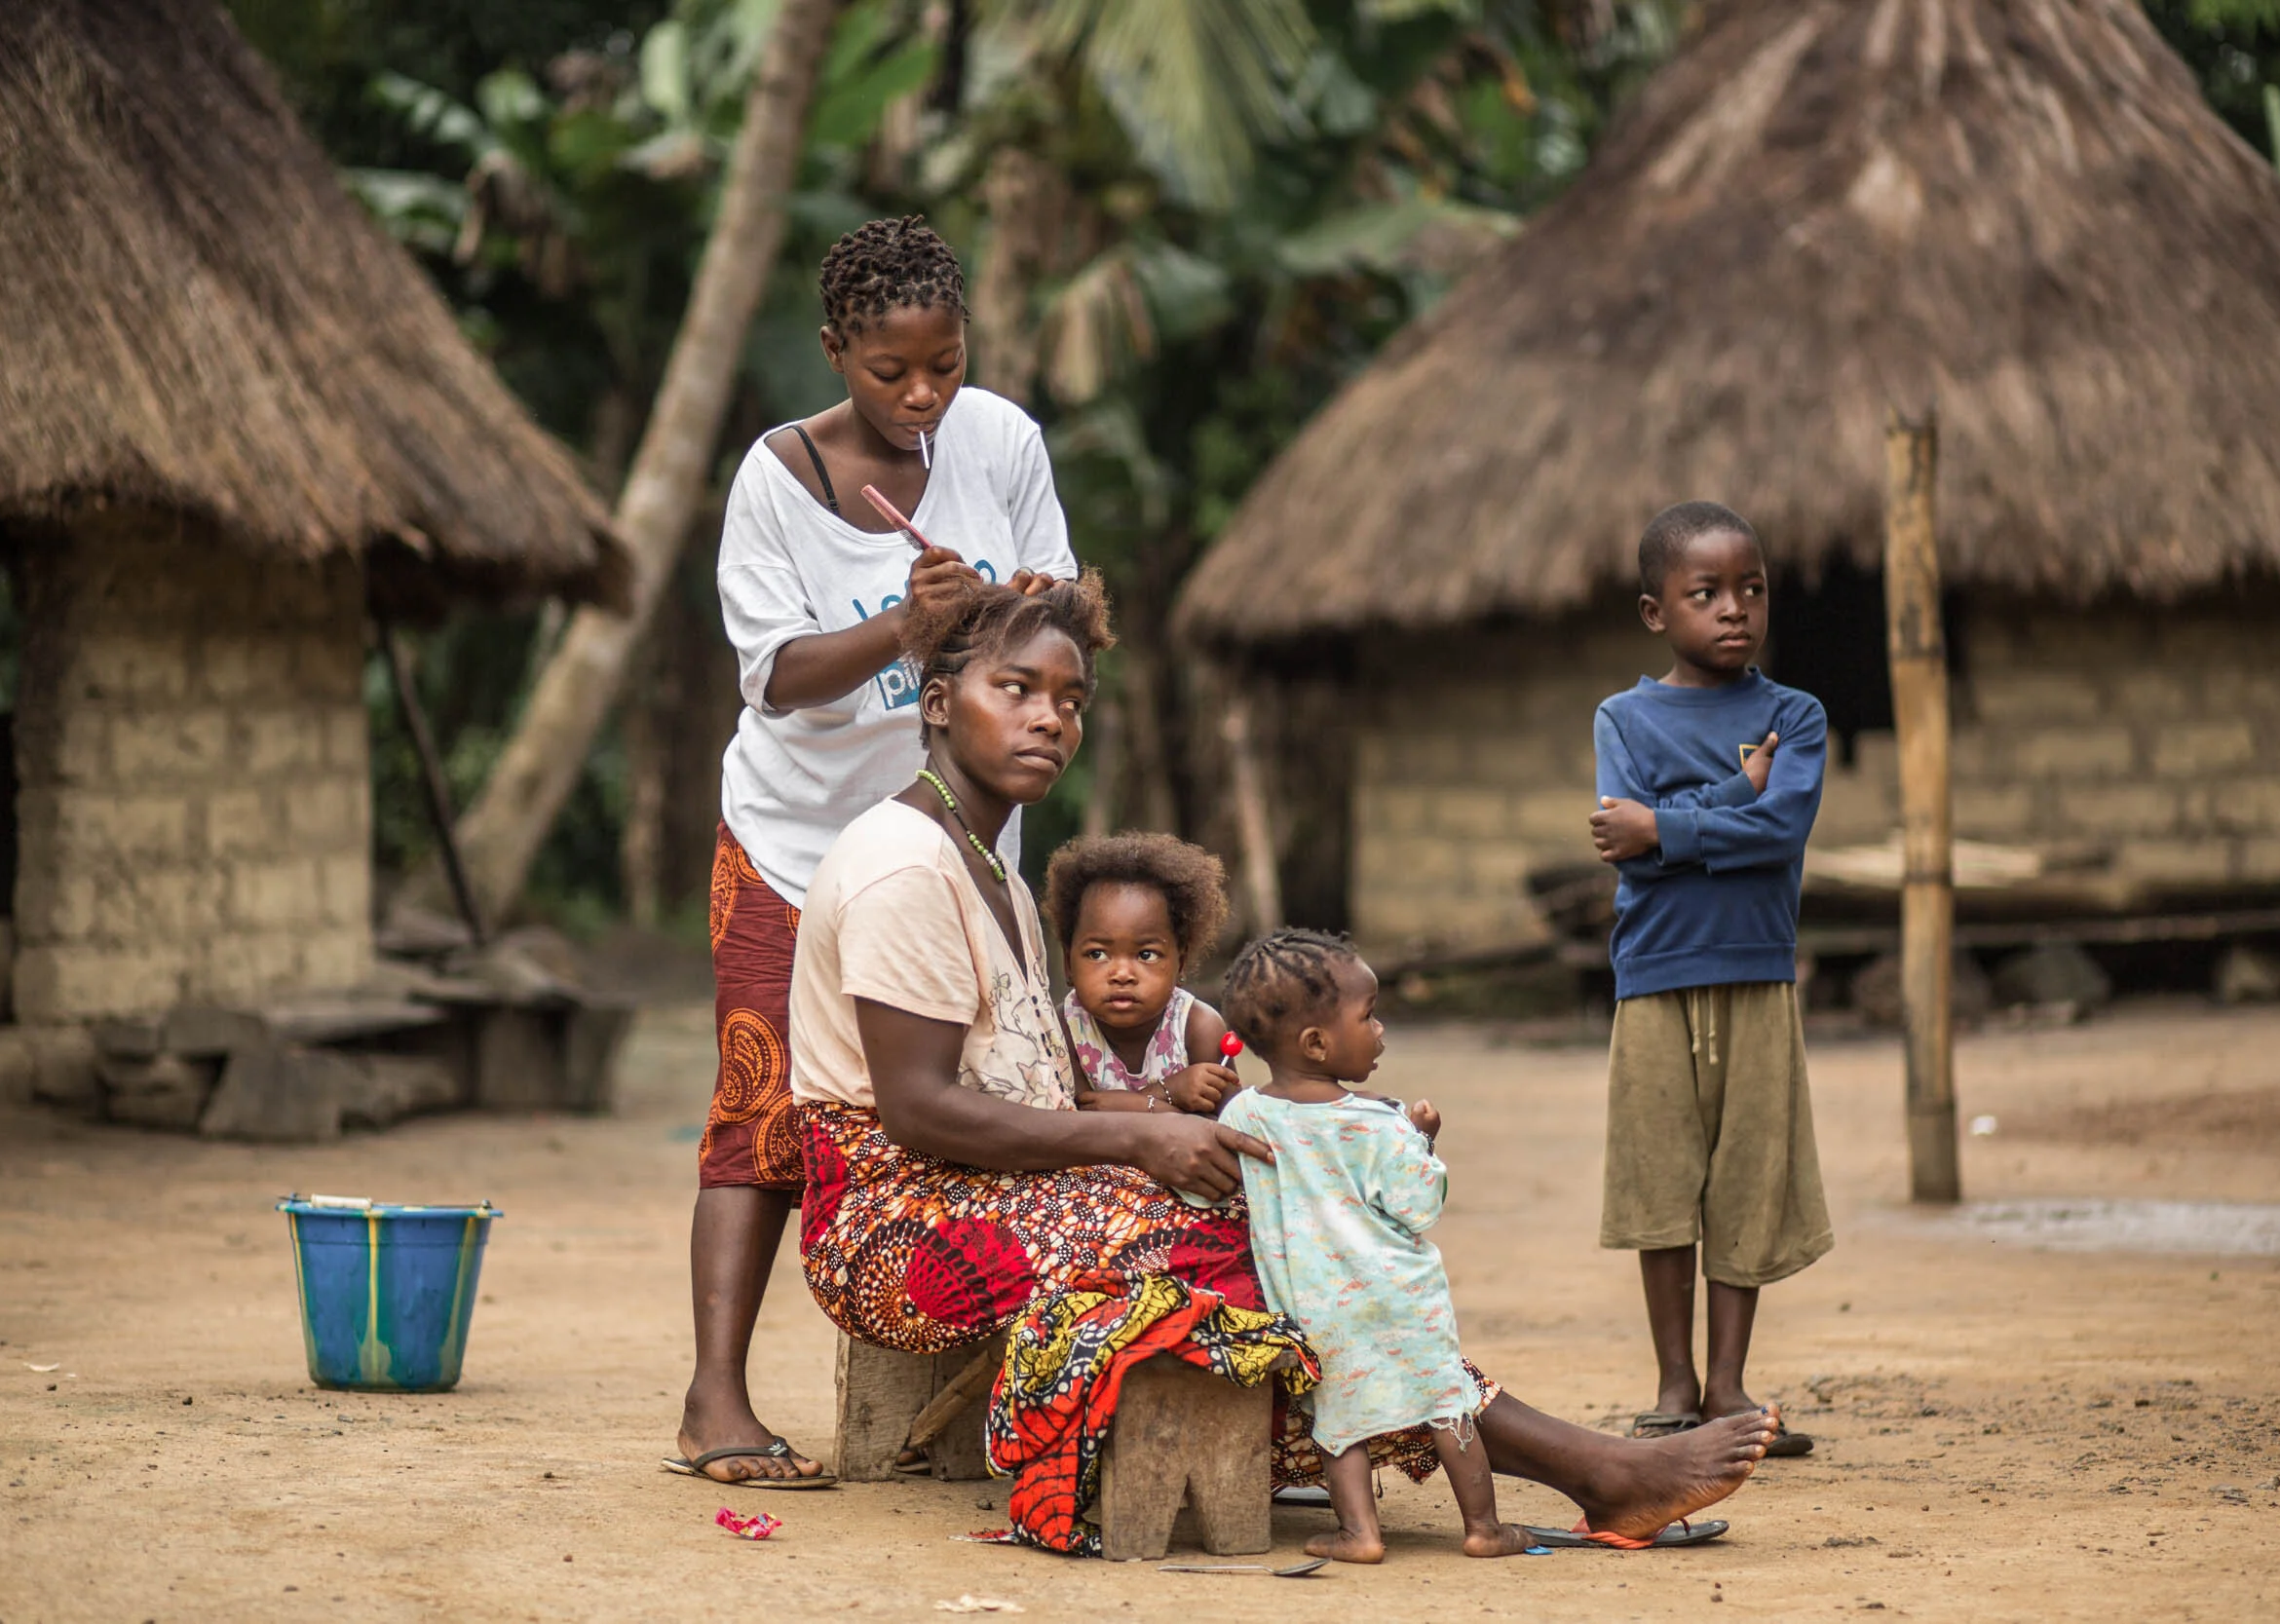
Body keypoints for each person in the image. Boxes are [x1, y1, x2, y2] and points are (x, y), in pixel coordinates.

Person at [787, 568, 1779, 1551]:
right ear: (933, 703)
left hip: (984, 1183)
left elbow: (1020, 1082)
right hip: (894, 1226)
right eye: (1015, 689)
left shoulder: (988, 862)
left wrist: (1164, 1127)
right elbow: (915, 1111)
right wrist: (1139, 1136)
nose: (1049, 718)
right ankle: (1585, 1467)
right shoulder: (904, 865)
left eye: (1071, 698)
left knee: (1292, 1206)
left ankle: (1485, 1451)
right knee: (1268, 1246)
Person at [668, 215, 1076, 1490]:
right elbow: (779, 676)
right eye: (889, 370)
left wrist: (995, 599)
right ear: (836, 349)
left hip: (947, 844)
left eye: (945, 364)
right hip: (793, 845)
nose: (921, 397)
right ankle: (715, 1398)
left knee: (974, 1086)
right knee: (763, 1110)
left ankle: (990, 1383)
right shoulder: (774, 481)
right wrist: (908, 623)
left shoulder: (999, 440)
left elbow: (1059, 620)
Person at [1586, 500, 1834, 1455]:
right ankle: (1673, 1382)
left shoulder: (1793, 714)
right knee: (1661, 1176)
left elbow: (1782, 833)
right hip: (1653, 977)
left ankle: (1729, 1383)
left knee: (1746, 1177)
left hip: (1758, 974)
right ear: (1657, 611)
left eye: (1751, 589)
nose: (1734, 609)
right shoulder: (1622, 716)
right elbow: (1627, 847)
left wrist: (1673, 823)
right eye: (1706, 593)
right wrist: (1735, 795)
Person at [1219, 928, 1536, 1563]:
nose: (1382, 1028)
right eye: (1368, 1015)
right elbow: (1419, 1205)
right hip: (1404, 1298)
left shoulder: (1243, 1117)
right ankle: (1484, 1527)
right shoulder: (1378, 1120)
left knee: (1340, 1422)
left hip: (1314, 1308)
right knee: (1449, 1402)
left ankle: (1360, 1533)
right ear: (1316, 1042)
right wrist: (1422, 1138)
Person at [1044, 832, 1238, 1115]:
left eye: (1146, 955)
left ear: (1180, 964)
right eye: (1097, 954)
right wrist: (1164, 1096)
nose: (1122, 974)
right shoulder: (1063, 1030)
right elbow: (1080, 1123)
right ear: (1068, 964)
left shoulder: (1199, 1029)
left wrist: (1133, 1104)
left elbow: (1234, 1130)